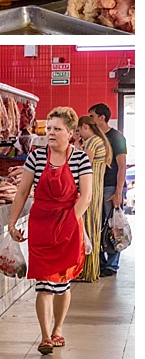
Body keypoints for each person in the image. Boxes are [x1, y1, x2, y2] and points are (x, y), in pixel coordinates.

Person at [7, 107, 92, 354]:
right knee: (44, 283)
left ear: (71, 133)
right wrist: (12, 223)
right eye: (49, 128)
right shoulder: (35, 157)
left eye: (57, 129)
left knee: (63, 283)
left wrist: (68, 224)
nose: (50, 133)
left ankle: (58, 330)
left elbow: (85, 197)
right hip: (41, 224)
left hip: (68, 222)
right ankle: (45, 337)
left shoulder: (80, 158)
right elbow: (22, 192)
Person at [88, 102, 128, 276]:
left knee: (114, 226)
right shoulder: (93, 138)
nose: (90, 121)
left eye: (92, 117)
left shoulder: (116, 137)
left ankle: (111, 265)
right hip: (97, 187)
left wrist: (118, 192)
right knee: (98, 226)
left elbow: (122, 166)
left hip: (111, 187)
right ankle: (102, 263)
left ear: (101, 118)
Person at [75, 114, 111, 283]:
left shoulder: (91, 142)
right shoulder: (101, 140)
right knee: (93, 229)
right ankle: (92, 270)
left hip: (89, 189)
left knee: (87, 227)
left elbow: (84, 163)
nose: (79, 133)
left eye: (79, 129)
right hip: (97, 188)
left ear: (85, 127)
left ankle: (86, 270)